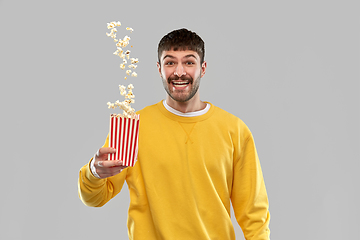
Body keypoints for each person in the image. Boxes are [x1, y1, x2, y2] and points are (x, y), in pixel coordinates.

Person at [78, 28, 270, 240]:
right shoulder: (132, 127)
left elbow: (254, 214)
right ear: (159, 69)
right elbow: (94, 198)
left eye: (189, 62)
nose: (179, 72)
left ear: (202, 68)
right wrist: (94, 173)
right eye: (170, 62)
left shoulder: (235, 130)